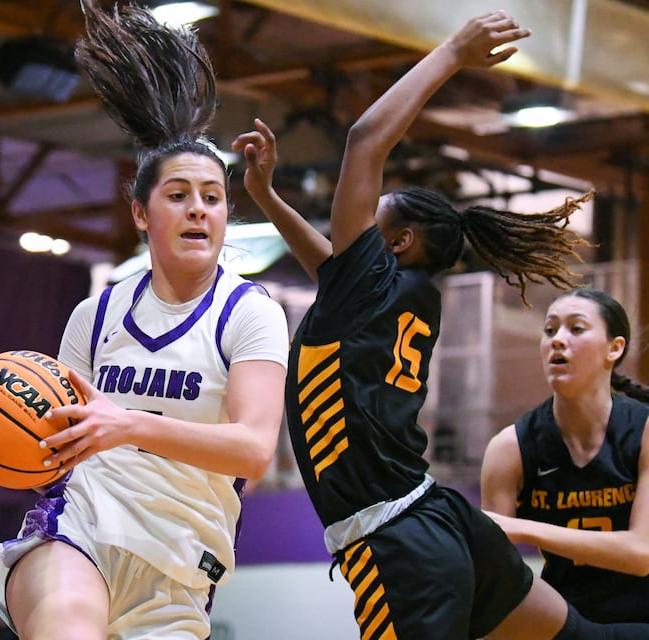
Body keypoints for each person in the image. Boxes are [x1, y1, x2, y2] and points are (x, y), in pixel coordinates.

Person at [231, 10, 649, 640]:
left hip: (393, 538)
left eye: (374, 215)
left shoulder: (374, 287)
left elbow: (365, 137)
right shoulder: (405, 293)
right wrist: (266, 198)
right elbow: (330, 266)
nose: (357, 218)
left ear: (394, 242)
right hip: (442, 517)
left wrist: (453, 50)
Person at [0, 2, 289, 640]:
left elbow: (255, 450)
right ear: (143, 214)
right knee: (67, 625)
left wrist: (128, 424)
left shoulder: (249, 312)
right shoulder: (97, 314)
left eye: (213, 198)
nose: (199, 210)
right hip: (83, 526)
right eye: (179, 196)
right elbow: (55, 438)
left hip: (181, 562)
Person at [481, 288, 649, 624]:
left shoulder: (644, 431)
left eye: (576, 328)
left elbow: (641, 553)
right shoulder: (509, 448)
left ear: (614, 348)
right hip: (567, 622)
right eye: (549, 330)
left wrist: (522, 529)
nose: (557, 339)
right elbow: (494, 578)